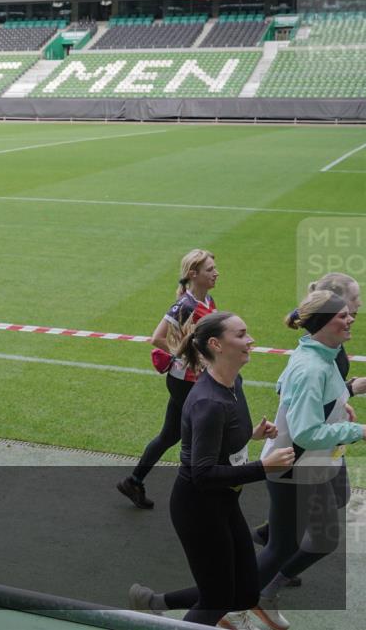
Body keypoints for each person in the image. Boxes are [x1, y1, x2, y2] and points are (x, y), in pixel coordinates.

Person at [128, 312, 294, 628]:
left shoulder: (233, 383)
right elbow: (203, 475)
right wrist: (263, 467)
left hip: (224, 502)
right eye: (242, 334)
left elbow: (222, 439)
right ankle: (159, 607)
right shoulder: (208, 403)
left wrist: (252, 434)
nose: (251, 340)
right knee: (217, 598)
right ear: (217, 344)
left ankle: (154, 603)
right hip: (198, 506)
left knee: (244, 593)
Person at [251, 291, 365, 630]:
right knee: (286, 546)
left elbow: (284, 389)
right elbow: (305, 433)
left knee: (308, 541)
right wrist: (356, 430)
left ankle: (254, 598)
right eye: (343, 315)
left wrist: (341, 403)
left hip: (308, 466)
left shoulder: (319, 356)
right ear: (321, 323)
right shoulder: (312, 366)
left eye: (351, 314)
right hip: (294, 466)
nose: (351, 319)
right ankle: (226, 605)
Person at [119, 249, 219, 509]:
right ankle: (198, 496)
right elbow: (157, 337)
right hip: (186, 382)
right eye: (210, 269)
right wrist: (183, 355)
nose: (216, 273)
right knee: (201, 436)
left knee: (170, 435)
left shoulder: (207, 300)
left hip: (191, 380)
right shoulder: (185, 305)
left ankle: (134, 481)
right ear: (193, 274)